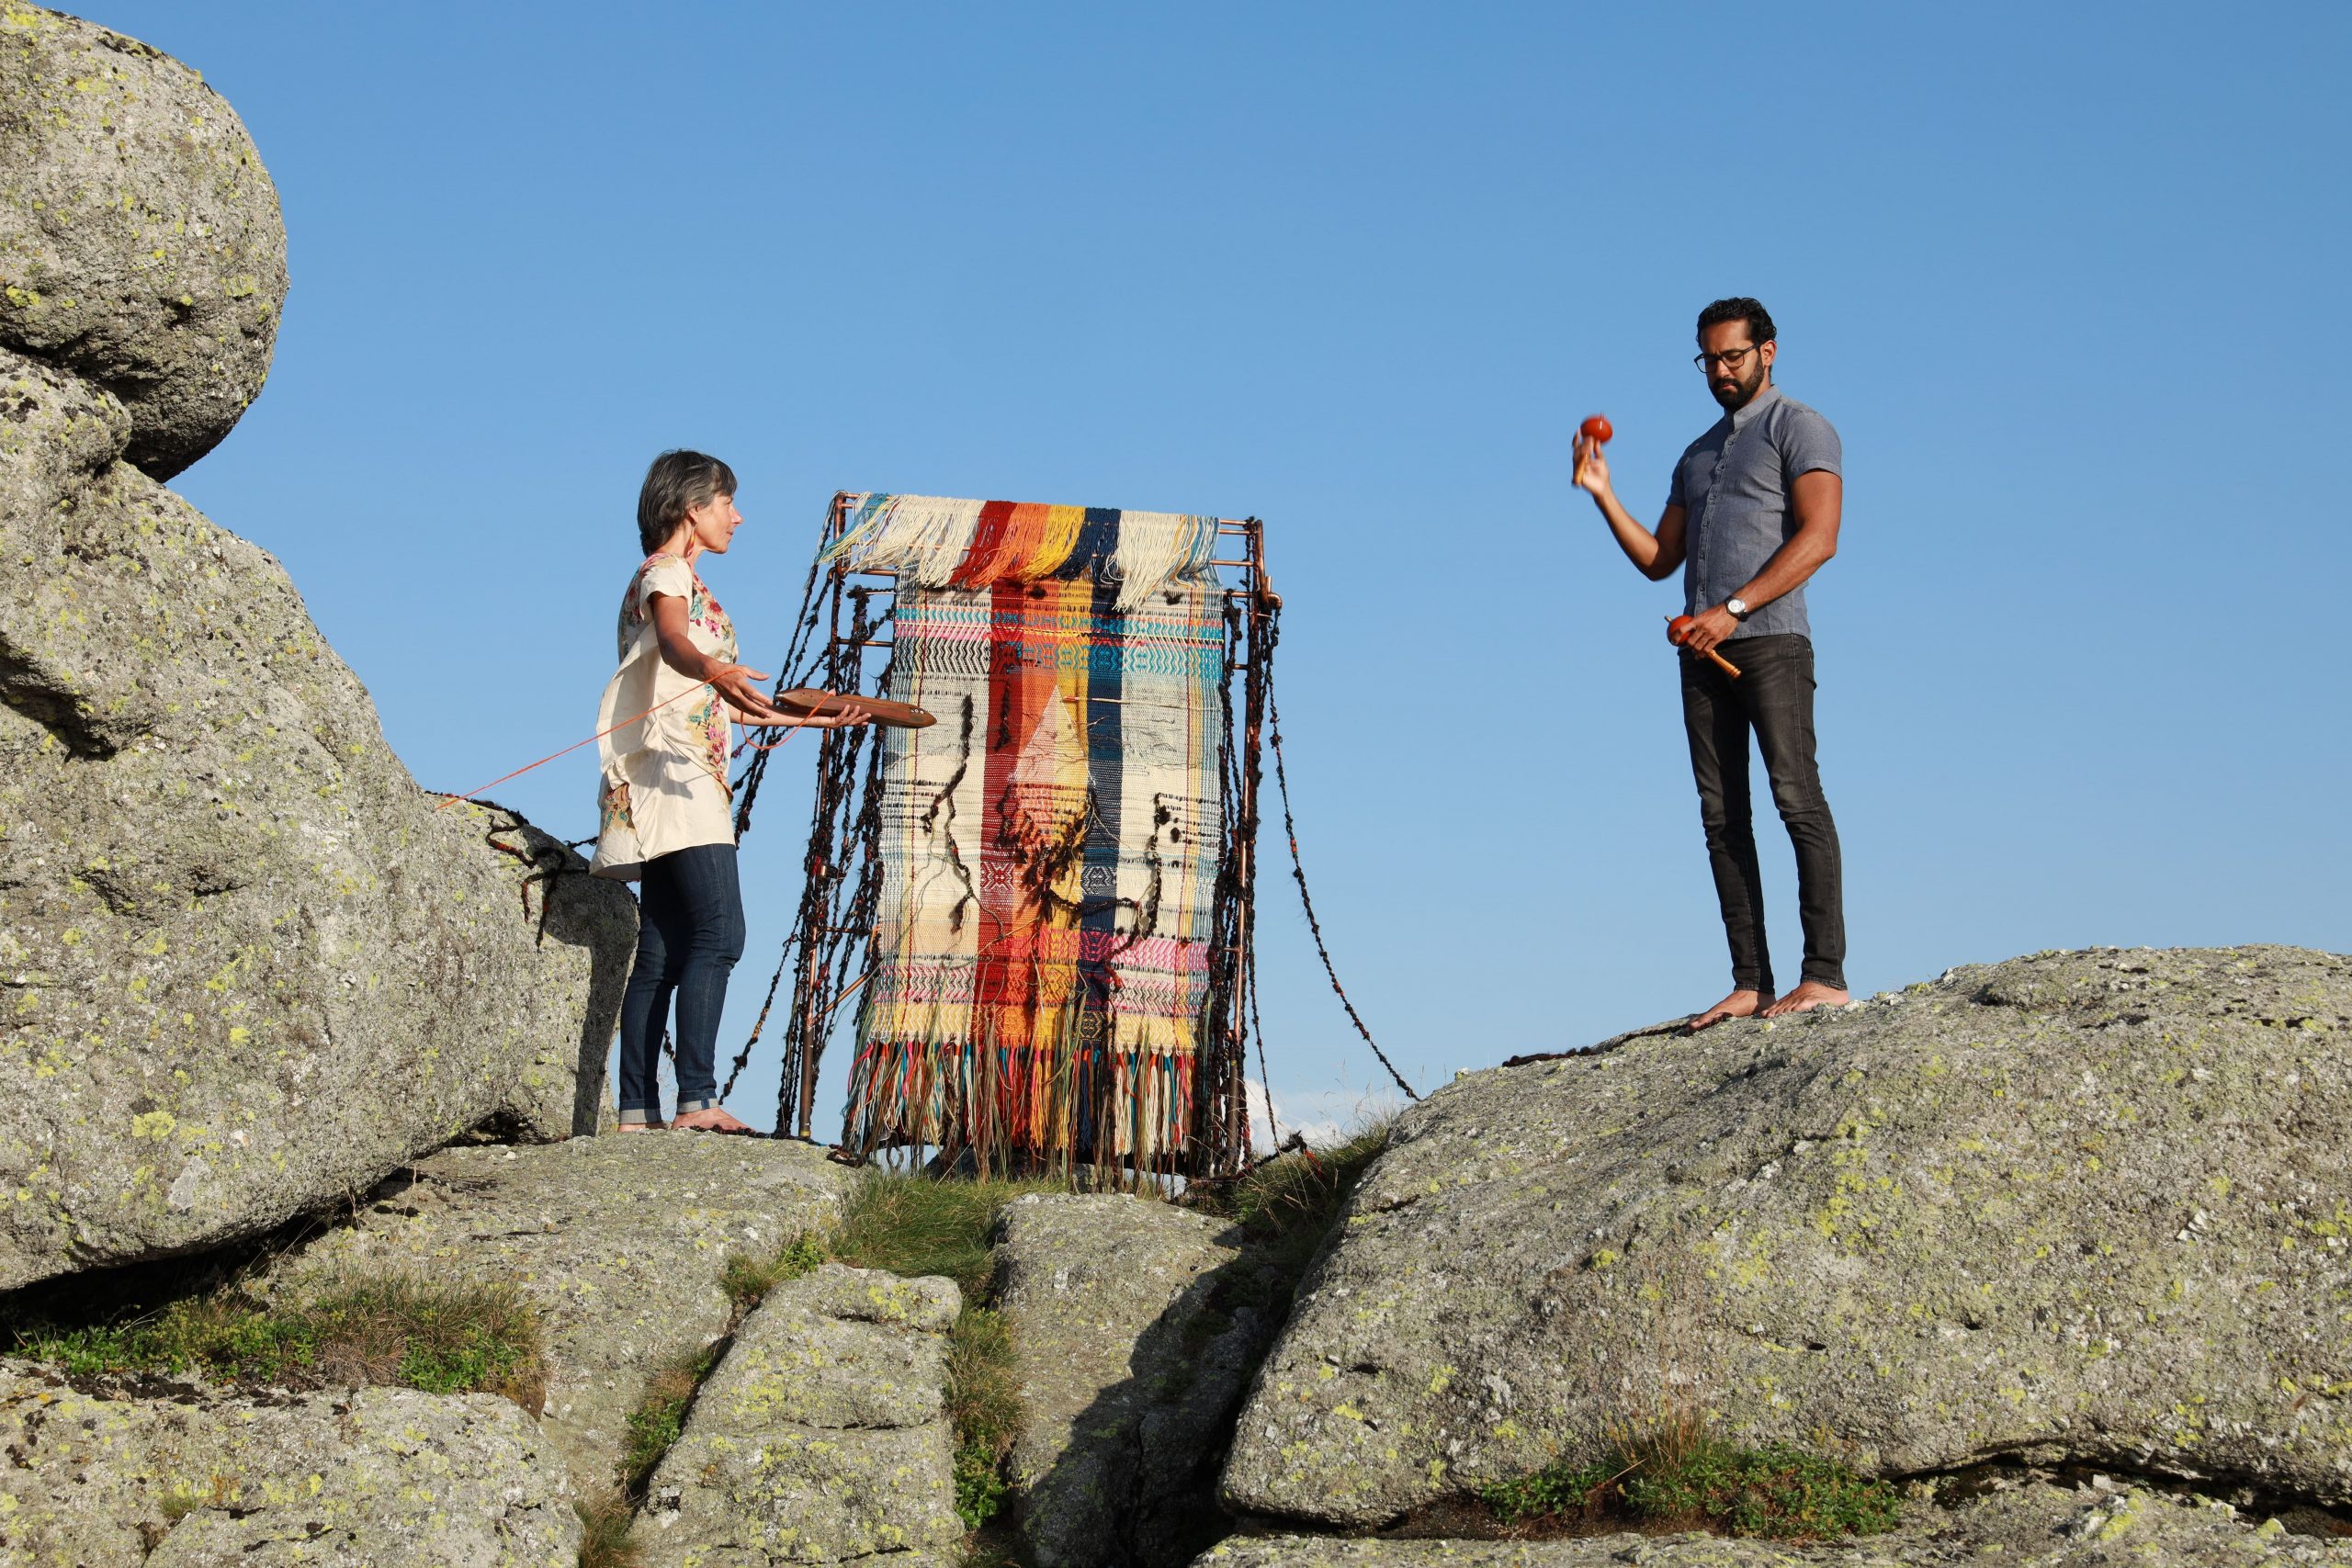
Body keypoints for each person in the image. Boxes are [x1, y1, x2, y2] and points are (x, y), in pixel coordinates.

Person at [1572, 297, 1850, 1031]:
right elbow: (1661, 560)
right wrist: (1603, 494)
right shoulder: (1695, 455)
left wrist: (1731, 609)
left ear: (1769, 351)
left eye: (1734, 356)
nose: (1722, 371)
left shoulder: (1802, 427)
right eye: (1710, 360)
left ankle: (1824, 974)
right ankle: (1750, 982)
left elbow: (1820, 538)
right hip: (1701, 657)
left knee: (1796, 797)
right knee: (1722, 817)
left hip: (1773, 643)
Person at [592, 451, 867, 1132]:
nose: (736, 516)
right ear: (691, 506)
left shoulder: (676, 579)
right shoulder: (667, 574)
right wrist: (713, 666)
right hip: (681, 776)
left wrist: (815, 715)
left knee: (662, 943)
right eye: (725, 502)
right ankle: (696, 1098)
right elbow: (679, 645)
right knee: (721, 930)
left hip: (668, 771)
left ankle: (635, 1108)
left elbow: (726, 700)